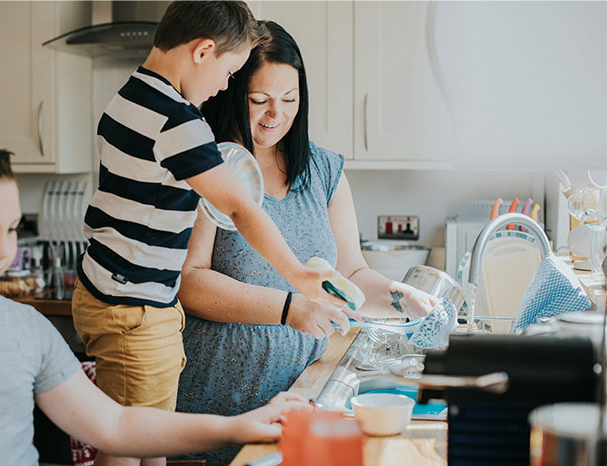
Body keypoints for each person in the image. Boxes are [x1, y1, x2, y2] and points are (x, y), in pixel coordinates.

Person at [0, 126, 310, 466]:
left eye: (12, 229)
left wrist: (238, 425)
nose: (5, 252)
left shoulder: (25, 327)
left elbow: (115, 425)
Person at [71, 3, 346, 466]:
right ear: (203, 52)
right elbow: (239, 206)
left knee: (146, 442)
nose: (225, 86)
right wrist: (297, 274)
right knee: (130, 443)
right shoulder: (180, 122)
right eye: (230, 72)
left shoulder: (129, 96)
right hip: (136, 310)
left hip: (105, 295)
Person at [175, 21, 439, 465]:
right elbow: (191, 281)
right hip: (221, 396)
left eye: (289, 100)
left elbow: (351, 274)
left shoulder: (323, 171)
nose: (275, 114)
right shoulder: (213, 165)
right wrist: (289, 307)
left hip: (304, 392)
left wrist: (397, 294)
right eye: (259, 100)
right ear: (231, 91)